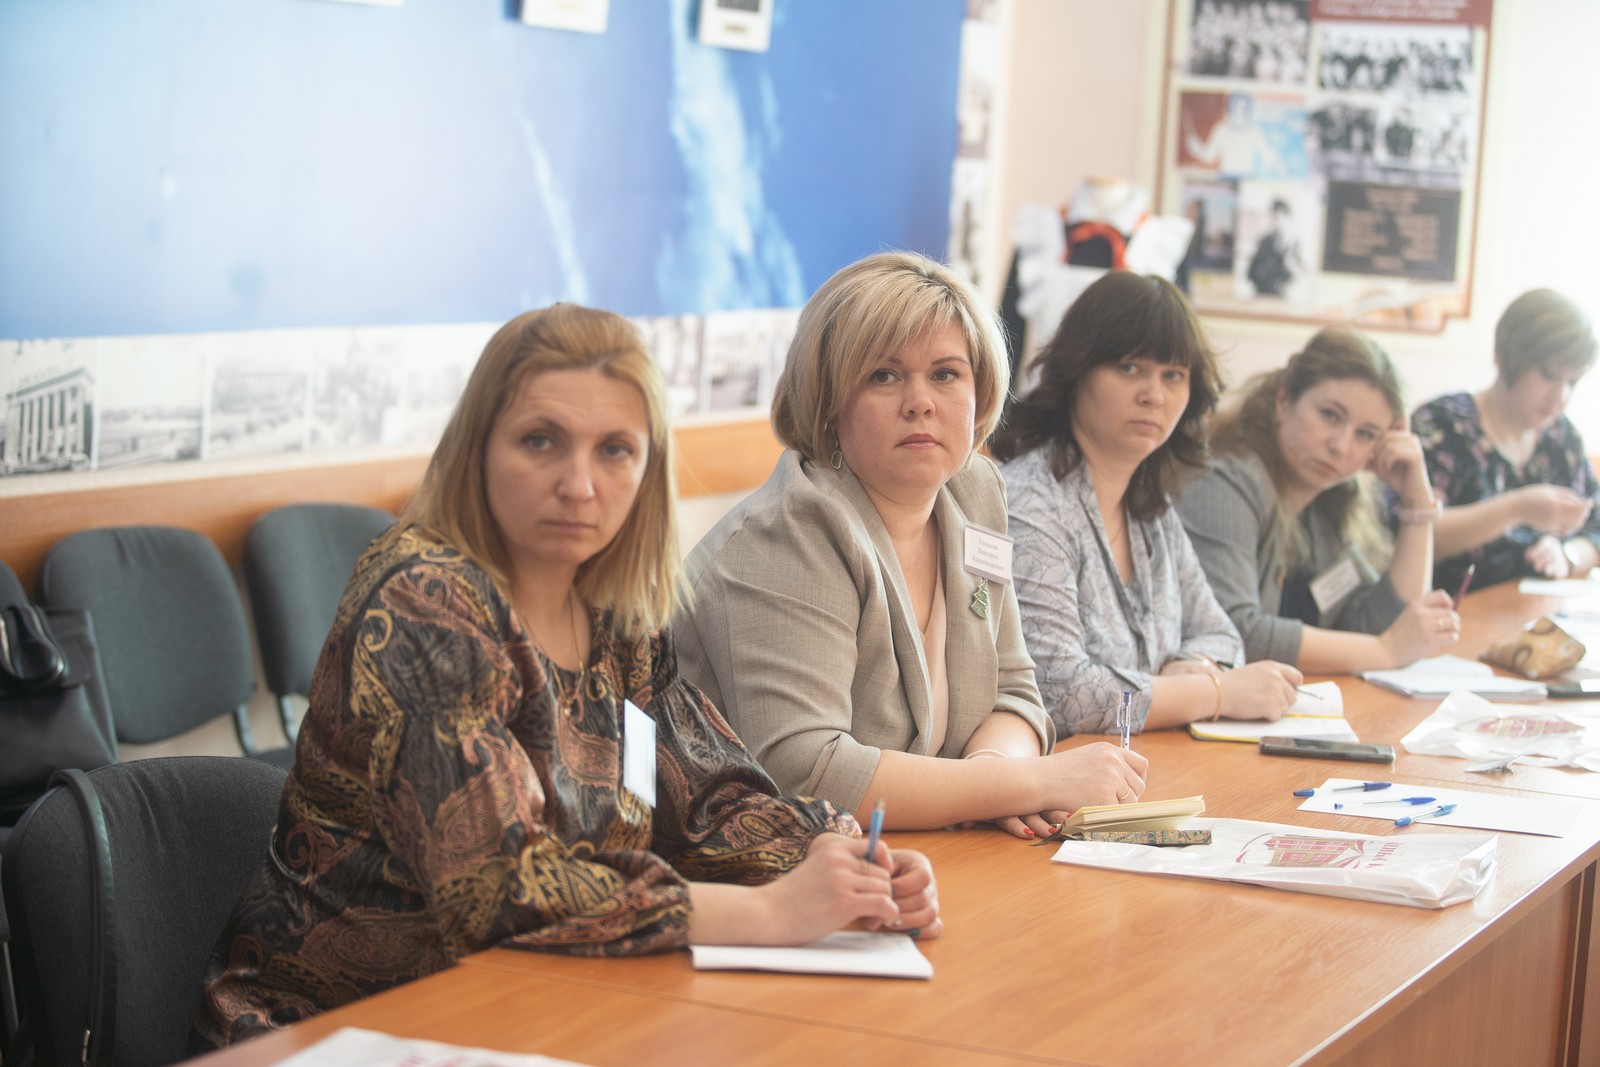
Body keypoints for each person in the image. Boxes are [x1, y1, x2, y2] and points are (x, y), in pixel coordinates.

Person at [194, 305, 940, 1048]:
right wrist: (773, 912)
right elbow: (498, 888)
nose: (579, 485)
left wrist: (833, 855)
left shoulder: (617, 608)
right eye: (540, 442)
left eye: (615, 449)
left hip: (538, 1007)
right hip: (338, 1032)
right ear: (479, 447)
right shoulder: (424, 600)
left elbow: (704, 802)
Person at [674, 252, 1148, 842]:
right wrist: (1024, 785)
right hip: (751, 866)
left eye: (946, 374)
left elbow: (1015, 691)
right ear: (827, 400)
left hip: (918, 853)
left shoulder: (974, 492)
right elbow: (805, 771)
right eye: (883, 375)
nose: (920, 402)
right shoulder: (788, 533)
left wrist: (995, 775)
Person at [992, 272, 1301, 737]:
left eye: (1173, 375)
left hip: (1146, 759)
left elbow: (1222, 635)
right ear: (1076, 371)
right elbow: (1059, 694)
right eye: (1129, 368)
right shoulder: (1030, 502)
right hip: (1064, 771)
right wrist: (1216, 692)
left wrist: (1191, 667)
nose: (1153, 395)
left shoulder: (1150, 506)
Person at [1176, 326, 1461, 671]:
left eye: (1365, 434)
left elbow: (1379, 624)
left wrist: (1417, 503)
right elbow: (1234, 631)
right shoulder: (1224, 481)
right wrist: (1387, 651)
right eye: (1330, 415)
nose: (1340, 446)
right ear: (1284, 401)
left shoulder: (1329, 500)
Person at [1408, 288, 1600, 592]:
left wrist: (1567, 554)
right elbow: (1414, 535)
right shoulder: (1442, 425)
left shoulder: (1562, 438)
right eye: (1549, 374)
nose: (1560, 395)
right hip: (1451, 609)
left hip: (1533, 609)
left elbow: (1595, 526)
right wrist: (1515, 509)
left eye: (1572, 382)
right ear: (1507, 358)